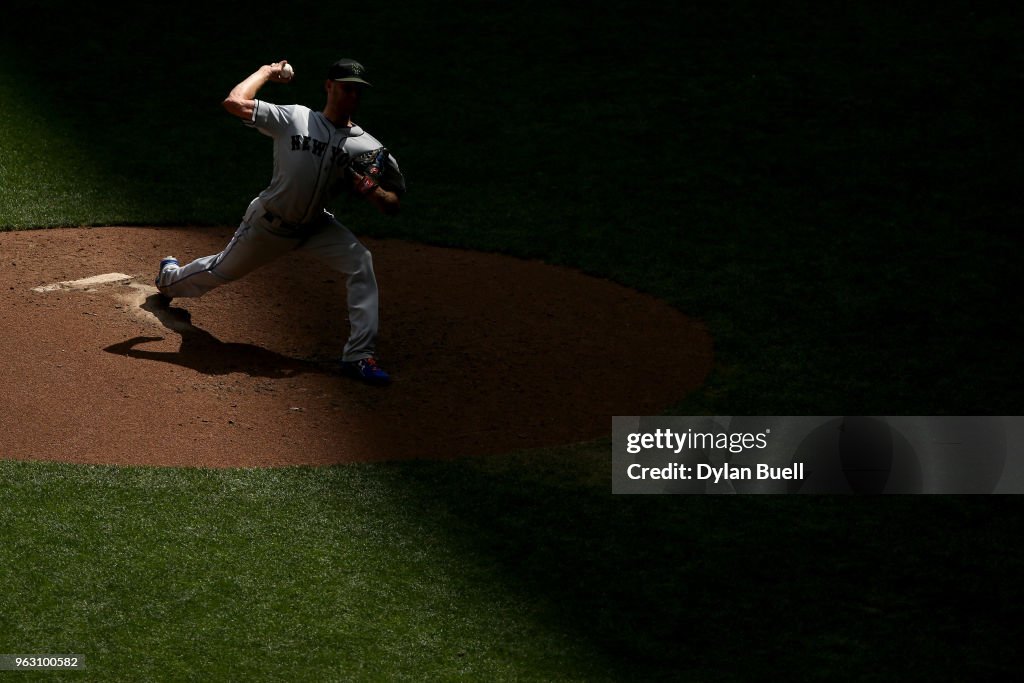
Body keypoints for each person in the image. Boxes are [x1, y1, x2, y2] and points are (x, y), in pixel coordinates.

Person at [156, 58, 405, 385]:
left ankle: (359, 355)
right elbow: (234, 103)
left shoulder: (368, 147)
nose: (352, 96)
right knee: (218, 271)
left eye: (357, 91)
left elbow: (393, 204)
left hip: (316, 226)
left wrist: (374, 192)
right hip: (269, 225)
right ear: (329, 86)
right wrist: (266, 73)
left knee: (361, 262)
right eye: (346, 88)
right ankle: (168, 278)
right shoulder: (295, 118)